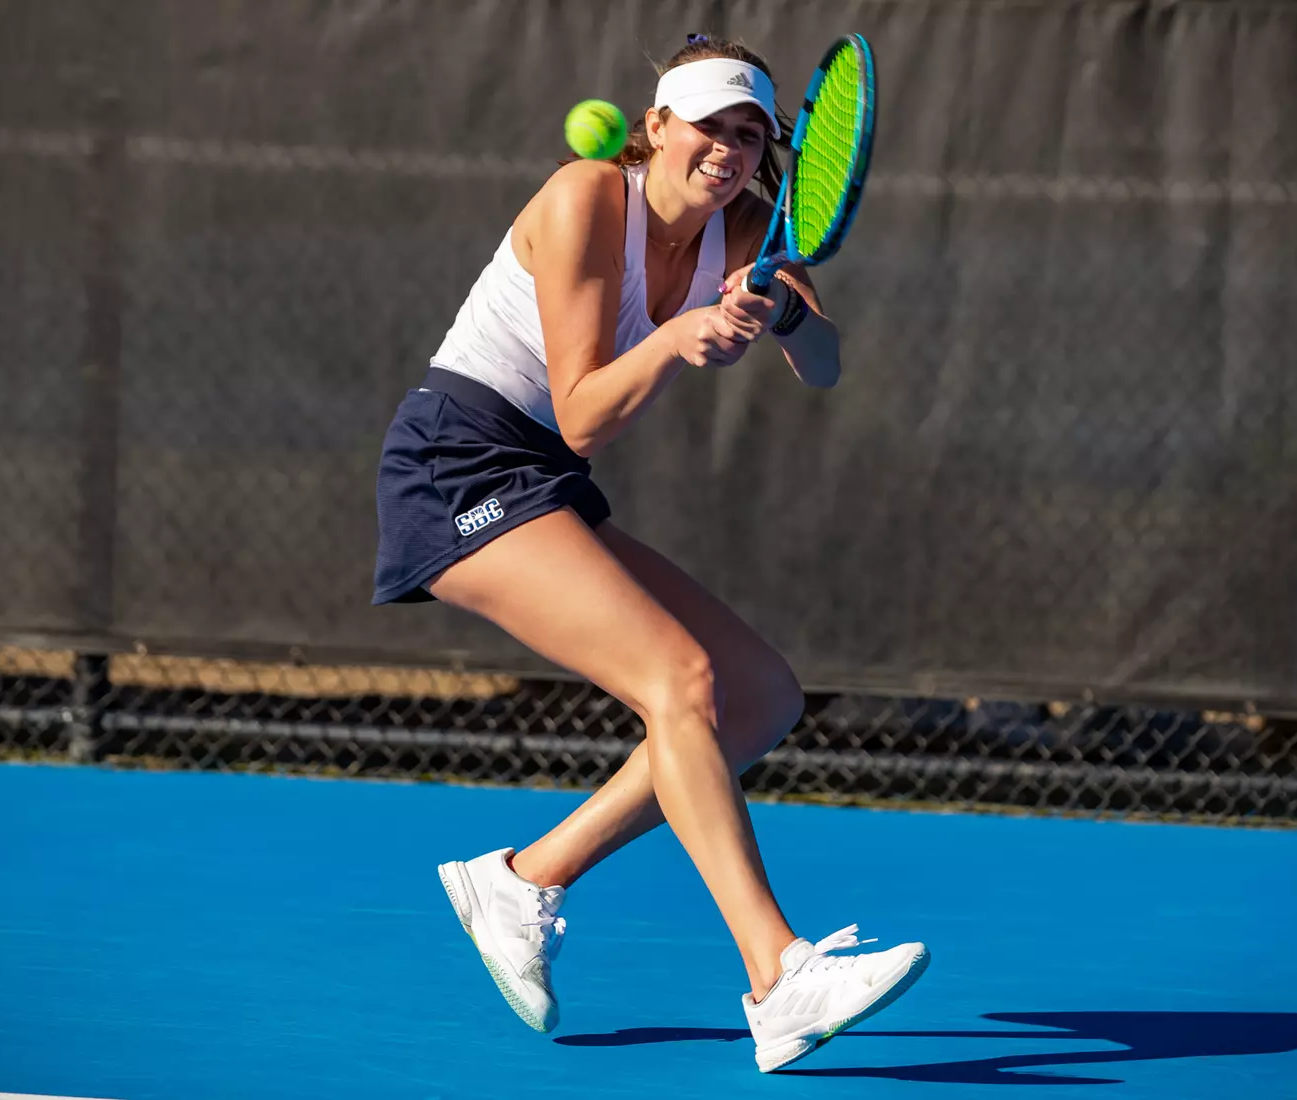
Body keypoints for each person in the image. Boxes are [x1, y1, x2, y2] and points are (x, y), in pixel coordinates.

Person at [372, 33, 927, 1072]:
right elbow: (582, 413)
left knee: (759, 696)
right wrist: (676, 340)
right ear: (656, 126)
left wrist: (783, 318)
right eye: (709, 124)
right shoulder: (587, 194)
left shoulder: (751, 229)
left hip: (537, 478)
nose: (726, 147)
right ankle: (778, 974)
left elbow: (828, 365)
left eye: (749, 132)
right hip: (457, 465)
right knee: (680, 677)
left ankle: (524, 878)